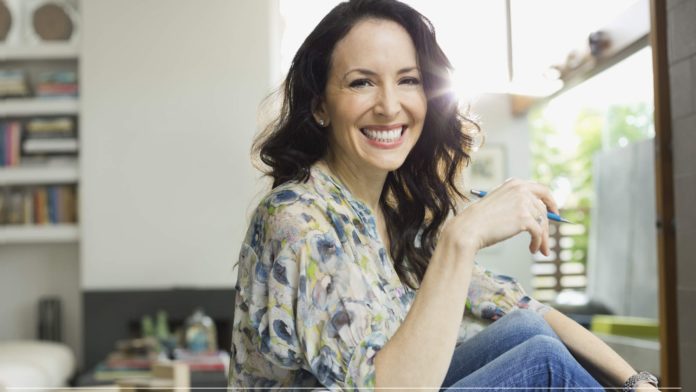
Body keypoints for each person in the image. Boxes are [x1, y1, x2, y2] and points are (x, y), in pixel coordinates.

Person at [229, 0, 660, 390]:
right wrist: (463, 236)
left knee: (526, 331)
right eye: (361, 83)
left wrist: (636, 382)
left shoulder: (398, 217)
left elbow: (522, 309)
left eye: (408, 80)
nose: (389, 105)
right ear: (320, 106)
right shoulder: (297, 218)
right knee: (540, 362)